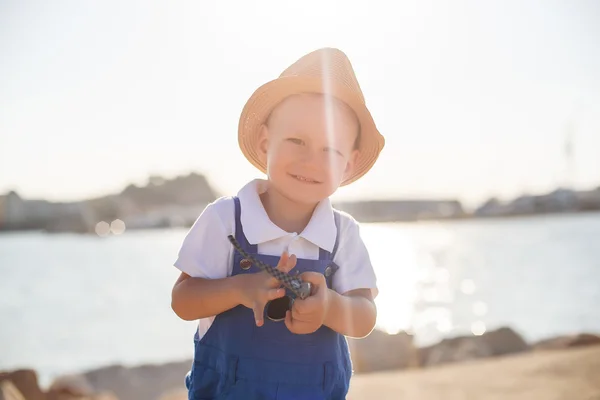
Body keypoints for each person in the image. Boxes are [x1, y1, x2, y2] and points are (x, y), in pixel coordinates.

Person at [171, 47, 385, 400]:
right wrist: (240, 289)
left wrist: (330, 306)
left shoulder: (342, 234)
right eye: (297, 140)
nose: (310, 160)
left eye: (330, 150)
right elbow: (183, 300)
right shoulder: (226, 219)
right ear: (265, 141)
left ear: (348, 164)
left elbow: (364, 318)